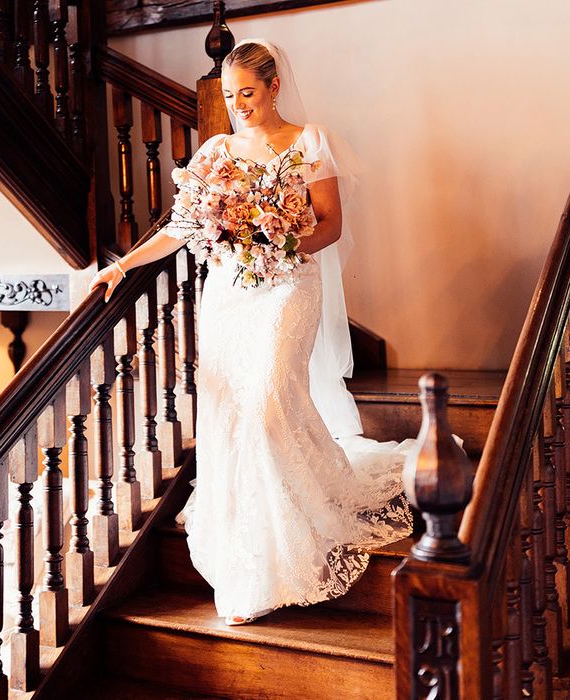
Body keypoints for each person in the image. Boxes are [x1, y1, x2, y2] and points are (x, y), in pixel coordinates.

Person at [89, 39, 420, 626]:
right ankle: (250, 557)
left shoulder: (309, 141)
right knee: (232, 413)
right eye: (229, 94)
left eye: (247, 92)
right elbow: (184, 229)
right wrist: (122, 265)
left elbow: (331, 225)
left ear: (272, 87)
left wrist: (280, 246)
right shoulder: (216, 151)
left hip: (290, 287)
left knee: (269, 403)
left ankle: (295, 534)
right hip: (229, 296)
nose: (239, 104)